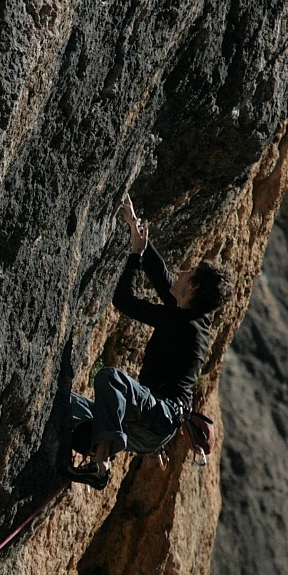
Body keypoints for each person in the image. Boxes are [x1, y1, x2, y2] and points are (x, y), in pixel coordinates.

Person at [67, 193, 230, 490]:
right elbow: (163, 279)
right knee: (67, 405)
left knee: (110, 379)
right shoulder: (190, 316)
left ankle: (101, 462)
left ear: (193, 286)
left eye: (188, 272)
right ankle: (91, 448)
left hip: (160, 416)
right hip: (146, 427)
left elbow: (124, 300)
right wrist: (135, 230)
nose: (181, 272)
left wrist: (133, 258)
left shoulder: (184, 323)